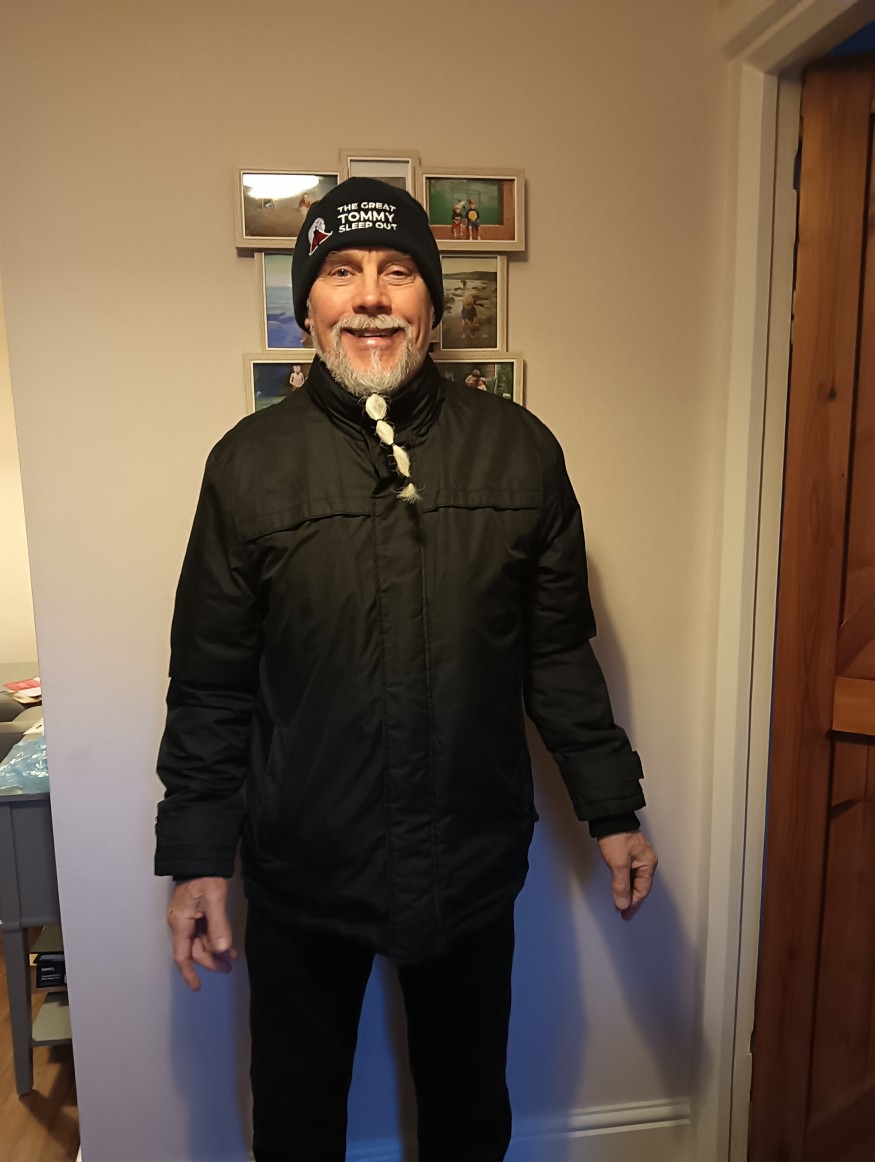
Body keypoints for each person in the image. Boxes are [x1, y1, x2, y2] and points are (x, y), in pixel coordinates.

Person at [155, 177, 656, 1162]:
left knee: (468, 1115)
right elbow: (211, 682)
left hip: (468, 860)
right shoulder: (247, 466)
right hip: (303, 869)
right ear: (309, 307)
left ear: (430, 302)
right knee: (295, 1123)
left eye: (397, 272)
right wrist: (198, 857)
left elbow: (557, 653)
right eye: (342, 273)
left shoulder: (520, 454)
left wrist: (612, 810)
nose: (372, 297)